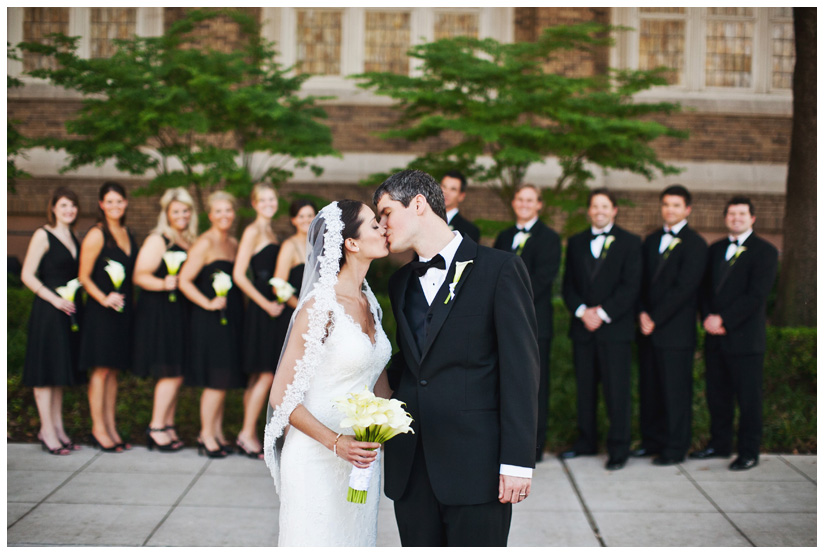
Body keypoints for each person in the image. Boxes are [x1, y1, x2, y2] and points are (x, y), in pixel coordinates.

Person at [374, 169, 539, 547]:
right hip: (411, 468)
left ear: (417, 204)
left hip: (476, 467)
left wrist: (517, 462)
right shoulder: (399, 283)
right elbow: (410, 364)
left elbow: (521, 372)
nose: (382, 226)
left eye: (385, 213)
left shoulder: (501, 270)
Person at [263, 200, 392, 546]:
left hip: (361, 459)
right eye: (375, 225)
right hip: (316, 457)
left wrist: (388, 423)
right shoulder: (320, 307)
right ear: (350, 242)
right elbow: (281, 396)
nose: (384, 229)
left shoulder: (370, 303)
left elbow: (380, 387)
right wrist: (337, 444)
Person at [691, 196, 778, 471]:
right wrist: (707, 317)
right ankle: (720, 444)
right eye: (732, 213)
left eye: (742, 214)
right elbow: (704, 290)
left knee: (748, 398)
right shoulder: (714, 249)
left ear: (752, 218)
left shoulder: (765, 251)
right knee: (718, 396)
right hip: (715, 337)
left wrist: (724, 319)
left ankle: (749, 452)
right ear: (725, 217)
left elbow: (757, 295)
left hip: (745, 340)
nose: (736, 218)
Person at [561, 188, 641, 471]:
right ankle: (586, 442)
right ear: (588, 210)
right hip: (583, 329)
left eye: (604, 206)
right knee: (585, 390)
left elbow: (631, 286)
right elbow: (568, 284)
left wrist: (603, 313)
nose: (599, 211)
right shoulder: (576, 242)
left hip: (614, 330)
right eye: (594, 206)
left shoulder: (631, 243)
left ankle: (618, 449)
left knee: (616, 391)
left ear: (614, 210)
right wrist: (583, 312)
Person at [634, 185, 707, 465]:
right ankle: (652, 441)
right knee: (650, 390)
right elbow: (638, 283)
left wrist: (655, 317)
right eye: (666, 205)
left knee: (675, 393)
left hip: (676, 334)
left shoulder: (696, 244)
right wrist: (641, 313)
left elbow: (685, 288)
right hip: (647, 331)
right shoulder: (650, 241)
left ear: (687, 209)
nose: (670, 210)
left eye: (676, 205)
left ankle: (676, 448)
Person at [493, 183, 561, 462]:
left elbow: (543, 280)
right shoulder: (504, 236)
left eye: (529, 200)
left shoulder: (550, 238)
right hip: (502, 323)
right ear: (513, 203)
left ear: (539, 205)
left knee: (535, 384)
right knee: (506, 382)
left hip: (535, 324)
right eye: (520, 199)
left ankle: (535, 445)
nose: (524, 204)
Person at [178, 191, 245, 458]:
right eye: (218, 211)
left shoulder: (233, 243)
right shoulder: (204, 243)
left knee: (224, 377)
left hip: (231, 319)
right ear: (210, 215)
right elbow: (184, 280)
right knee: (215, 379)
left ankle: (216, 433)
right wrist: (206, 303)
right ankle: (206, 435)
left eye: (228, 210)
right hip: (210, 321)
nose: (224, 215)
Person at [133, 187, 198, 452]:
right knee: (169, 371)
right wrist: (164, 284)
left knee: (178, 371)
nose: (181, 215)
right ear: (167, 214)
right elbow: (139, 275)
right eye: (176, 211)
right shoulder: (159, 239)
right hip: (160, 311)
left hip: (180, 312)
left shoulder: (189, 240)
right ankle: (156, 426)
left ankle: (168, 425)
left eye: (185, 210)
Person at [21, 187, 85, 455]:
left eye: (73, 205)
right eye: (63, 205)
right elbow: (27, 275)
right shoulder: (42, 234)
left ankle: (58, 428)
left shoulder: (74, 237)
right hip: (49, 311)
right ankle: (47, 431)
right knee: (45, 373)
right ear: (53, 208)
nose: (69, 210)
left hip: (69, 311)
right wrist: (54, 299)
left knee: (58, 373)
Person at [78, 181, 137, 453]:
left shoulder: (126, 233)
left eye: (119, 201)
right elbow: (83, 276)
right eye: (109, 201)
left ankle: (111, 426)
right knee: (100, 371)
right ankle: (97, 429)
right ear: (101, 204)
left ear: (125, 203)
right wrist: (103, 298)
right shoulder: (97, 234)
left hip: (122, 314)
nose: (115, 206)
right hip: (100, 313)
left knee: (113, 371)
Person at [232, 183, 285, 458]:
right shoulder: (253, 231)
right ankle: (246, 433)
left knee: (260, 375)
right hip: (261, 308)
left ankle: (247, 432)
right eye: (262, 200)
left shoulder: (271, 231)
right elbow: (239, 275)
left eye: (271, 199)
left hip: (271, 307)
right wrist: (265, 303)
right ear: (254, 204)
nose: (267, 203)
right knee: (265, 373)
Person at [440, 171, 480, 242]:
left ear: (461, 196)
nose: (446, 192)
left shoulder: (469, 230)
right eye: (444, 187)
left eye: (453, 189)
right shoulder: (426, 220)